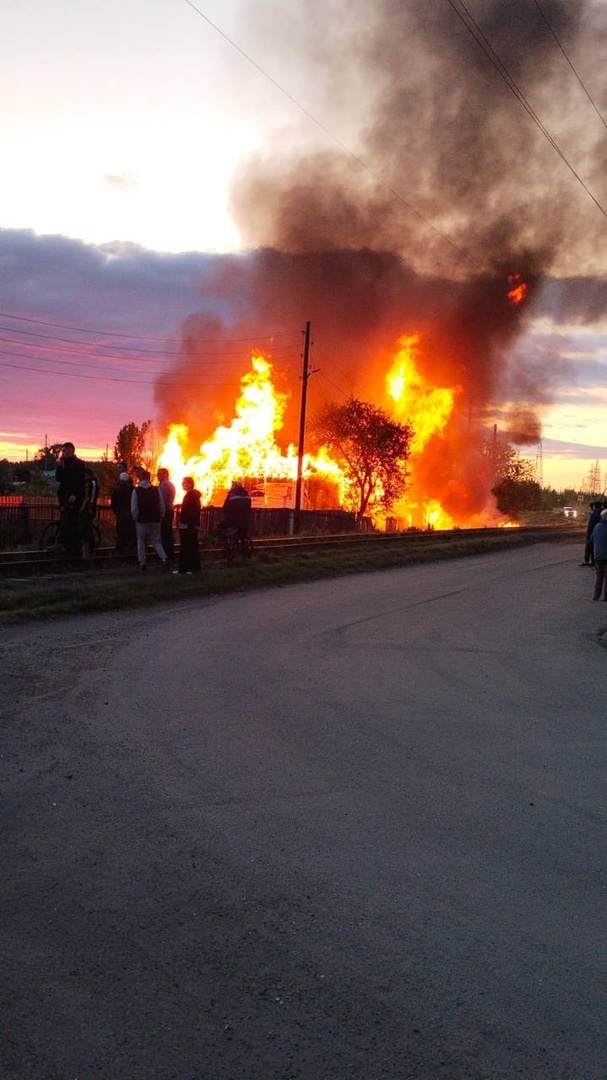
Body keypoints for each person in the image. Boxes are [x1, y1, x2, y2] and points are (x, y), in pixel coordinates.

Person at [130, 467, 170, 572]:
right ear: (149, 478)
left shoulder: (136, 491)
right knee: (156, 540)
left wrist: (135, 518)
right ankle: (164, 558)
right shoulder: (156, 490)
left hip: (142, 521)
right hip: (155, 520)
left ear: (141, 478)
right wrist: (161, 516)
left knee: (141, 541)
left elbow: (134, 507)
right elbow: (161, 505)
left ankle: (142, 563)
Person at [55, 441, 86, 558]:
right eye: (63, 451)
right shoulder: (63, 464)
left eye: (66, 451)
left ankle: (75, 552)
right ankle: (66, 548)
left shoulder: (79, 464)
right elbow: (58, 478)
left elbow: (80, 482)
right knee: (65, 523)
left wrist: (75, 495)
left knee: (73, 524)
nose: (64, 453)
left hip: (74, 498)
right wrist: (60, 466)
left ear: (71, 451)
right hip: (64, 497)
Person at [175, 476, 201, 574]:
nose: (183, 484)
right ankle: (191, 568)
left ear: (190, 484)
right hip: (189, 525)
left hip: (189, 526)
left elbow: (192, 511)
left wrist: (190, 524)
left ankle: (186, 568)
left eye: (185, 482)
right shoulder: (190, 495)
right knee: (190, 547)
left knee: (187, 547)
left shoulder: (192, 496)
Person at [110, 471, 135, 553]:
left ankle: (120, 549)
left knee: (121, 532)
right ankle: (129, 549)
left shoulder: (116, 490)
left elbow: (113, 504)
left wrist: (117, 512)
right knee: (130, 532)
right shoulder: (132, 490)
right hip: (130, 514)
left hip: (120, 514)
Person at [157, 467, 176, 564]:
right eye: (158, 473)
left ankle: (167, 556)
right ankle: (169, 555)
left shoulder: (165, 485)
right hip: (169, 511)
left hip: (166, 512)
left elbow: (162, 500)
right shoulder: (169, 484)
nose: (158, 475)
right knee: (167, 534)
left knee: (165, 534)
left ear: (165, 474)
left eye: (160, 473)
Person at [80, 466, 99, 558]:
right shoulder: (88, 483)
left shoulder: (92, 483)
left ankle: (89, 551)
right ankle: (87, 552)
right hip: (87, 509)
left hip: (88, 510)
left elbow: (90, 497)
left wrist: (84, 508)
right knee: (85, 529)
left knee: (87, 530)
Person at [590, 508, 607, 600]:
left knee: (599, 576)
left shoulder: (597, 527)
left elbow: (591, 539)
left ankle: (596, 595)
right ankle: (606, 596)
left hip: (598, 555)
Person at [581, 501, 604, 566]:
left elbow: (591, 524)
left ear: (594, 506)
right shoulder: (602, 513)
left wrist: (588, 533)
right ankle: (595, 561)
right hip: (600, 532)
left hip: (593, 532)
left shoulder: (594, 514)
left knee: (589, 546)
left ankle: (588, 561)